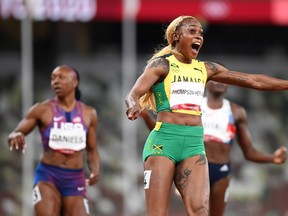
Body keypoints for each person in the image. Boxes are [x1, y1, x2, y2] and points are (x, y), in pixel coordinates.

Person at [124, 15, 288, 216]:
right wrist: (132, 104)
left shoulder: (206, 69)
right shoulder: (161, 65)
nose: (199, 36)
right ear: (176, 36)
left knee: (200, 211)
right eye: (192, 31)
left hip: (193, 145)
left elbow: (253, 80)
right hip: (163, 142)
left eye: (200, 33)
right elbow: (134, 93)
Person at [140, 80, 287, 216]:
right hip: (191, 167)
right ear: (205, 81)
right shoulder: (192, 106)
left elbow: (248, 152)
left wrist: (272, 158)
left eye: (223, 80)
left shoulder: (236, 112)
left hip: (220, 171)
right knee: (190, 210)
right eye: (215, 79)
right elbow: (167, 132)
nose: (219, 82)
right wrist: (146, 117)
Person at [7, 65, 100, 216]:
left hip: (75, 177)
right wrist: (15, 135)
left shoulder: (89, 114)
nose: (56, 81)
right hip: (48, 175)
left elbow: (91, 149)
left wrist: (95, 169)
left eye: (61, 77)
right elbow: (18, 131)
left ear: (75, 82)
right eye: (53, 78)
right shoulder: (41, 110)